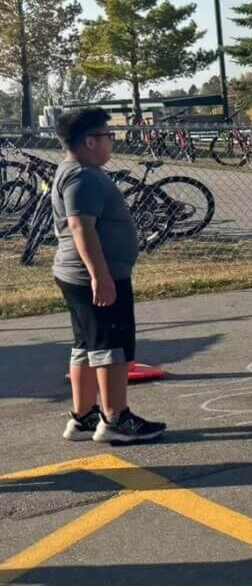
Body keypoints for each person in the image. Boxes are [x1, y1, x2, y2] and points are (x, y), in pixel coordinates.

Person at [50, 107, 166, 443]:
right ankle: (115, 419)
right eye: (107, 136)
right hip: (94, 278)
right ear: (89, 141)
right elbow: (80, 227)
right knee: (111, 348)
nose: (110, 142)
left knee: (87, 346)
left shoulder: (75, 171)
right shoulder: (83, 177)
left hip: (78, 275)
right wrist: (100, 276)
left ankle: (84, 417)